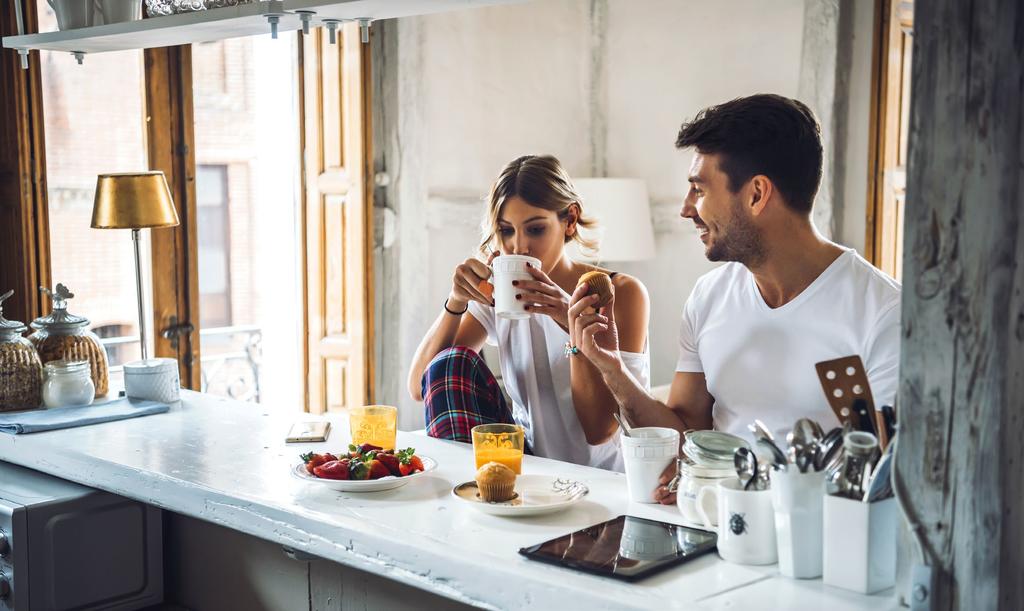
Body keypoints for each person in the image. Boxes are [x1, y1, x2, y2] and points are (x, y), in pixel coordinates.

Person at [567, 94, 901, 501]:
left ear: (757, 194)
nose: (686, 210)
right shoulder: (709, 296)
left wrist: (729, 480)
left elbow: (886, 476)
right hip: (712, 532)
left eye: (698, 190)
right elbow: (687, 434)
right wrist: (613, 370)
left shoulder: (885, 313)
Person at [407, 154, 651, 471]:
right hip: (531, 469)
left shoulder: (617, 292)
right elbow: (421, 385)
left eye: (535, 229)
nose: (519, 246)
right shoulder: (499, 293)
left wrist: (569, 320)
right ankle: (473, 496)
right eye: (506, 230)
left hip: (605, 478)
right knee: (452, 362)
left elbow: (600, 431)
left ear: (570, 219)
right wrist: (455, 302)